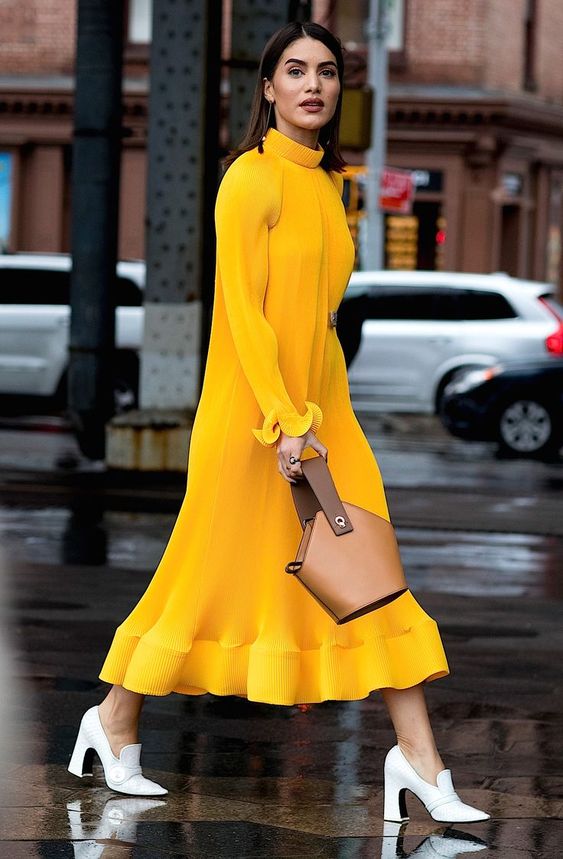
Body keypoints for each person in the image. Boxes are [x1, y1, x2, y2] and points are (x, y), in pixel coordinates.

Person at [68, 22, 489, 824]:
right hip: (255, 418)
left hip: (324, 414)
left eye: (326, 72)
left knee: (371, 573)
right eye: (293, 71)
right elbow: (244, 317)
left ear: (338, 91)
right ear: (266, 89)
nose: (311, 84)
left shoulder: (329, 185)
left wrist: (318, 414)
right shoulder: (248, 180)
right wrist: (283, 419)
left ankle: (419, 761)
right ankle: (113, 718)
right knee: (204, 578)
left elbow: (318, 319)